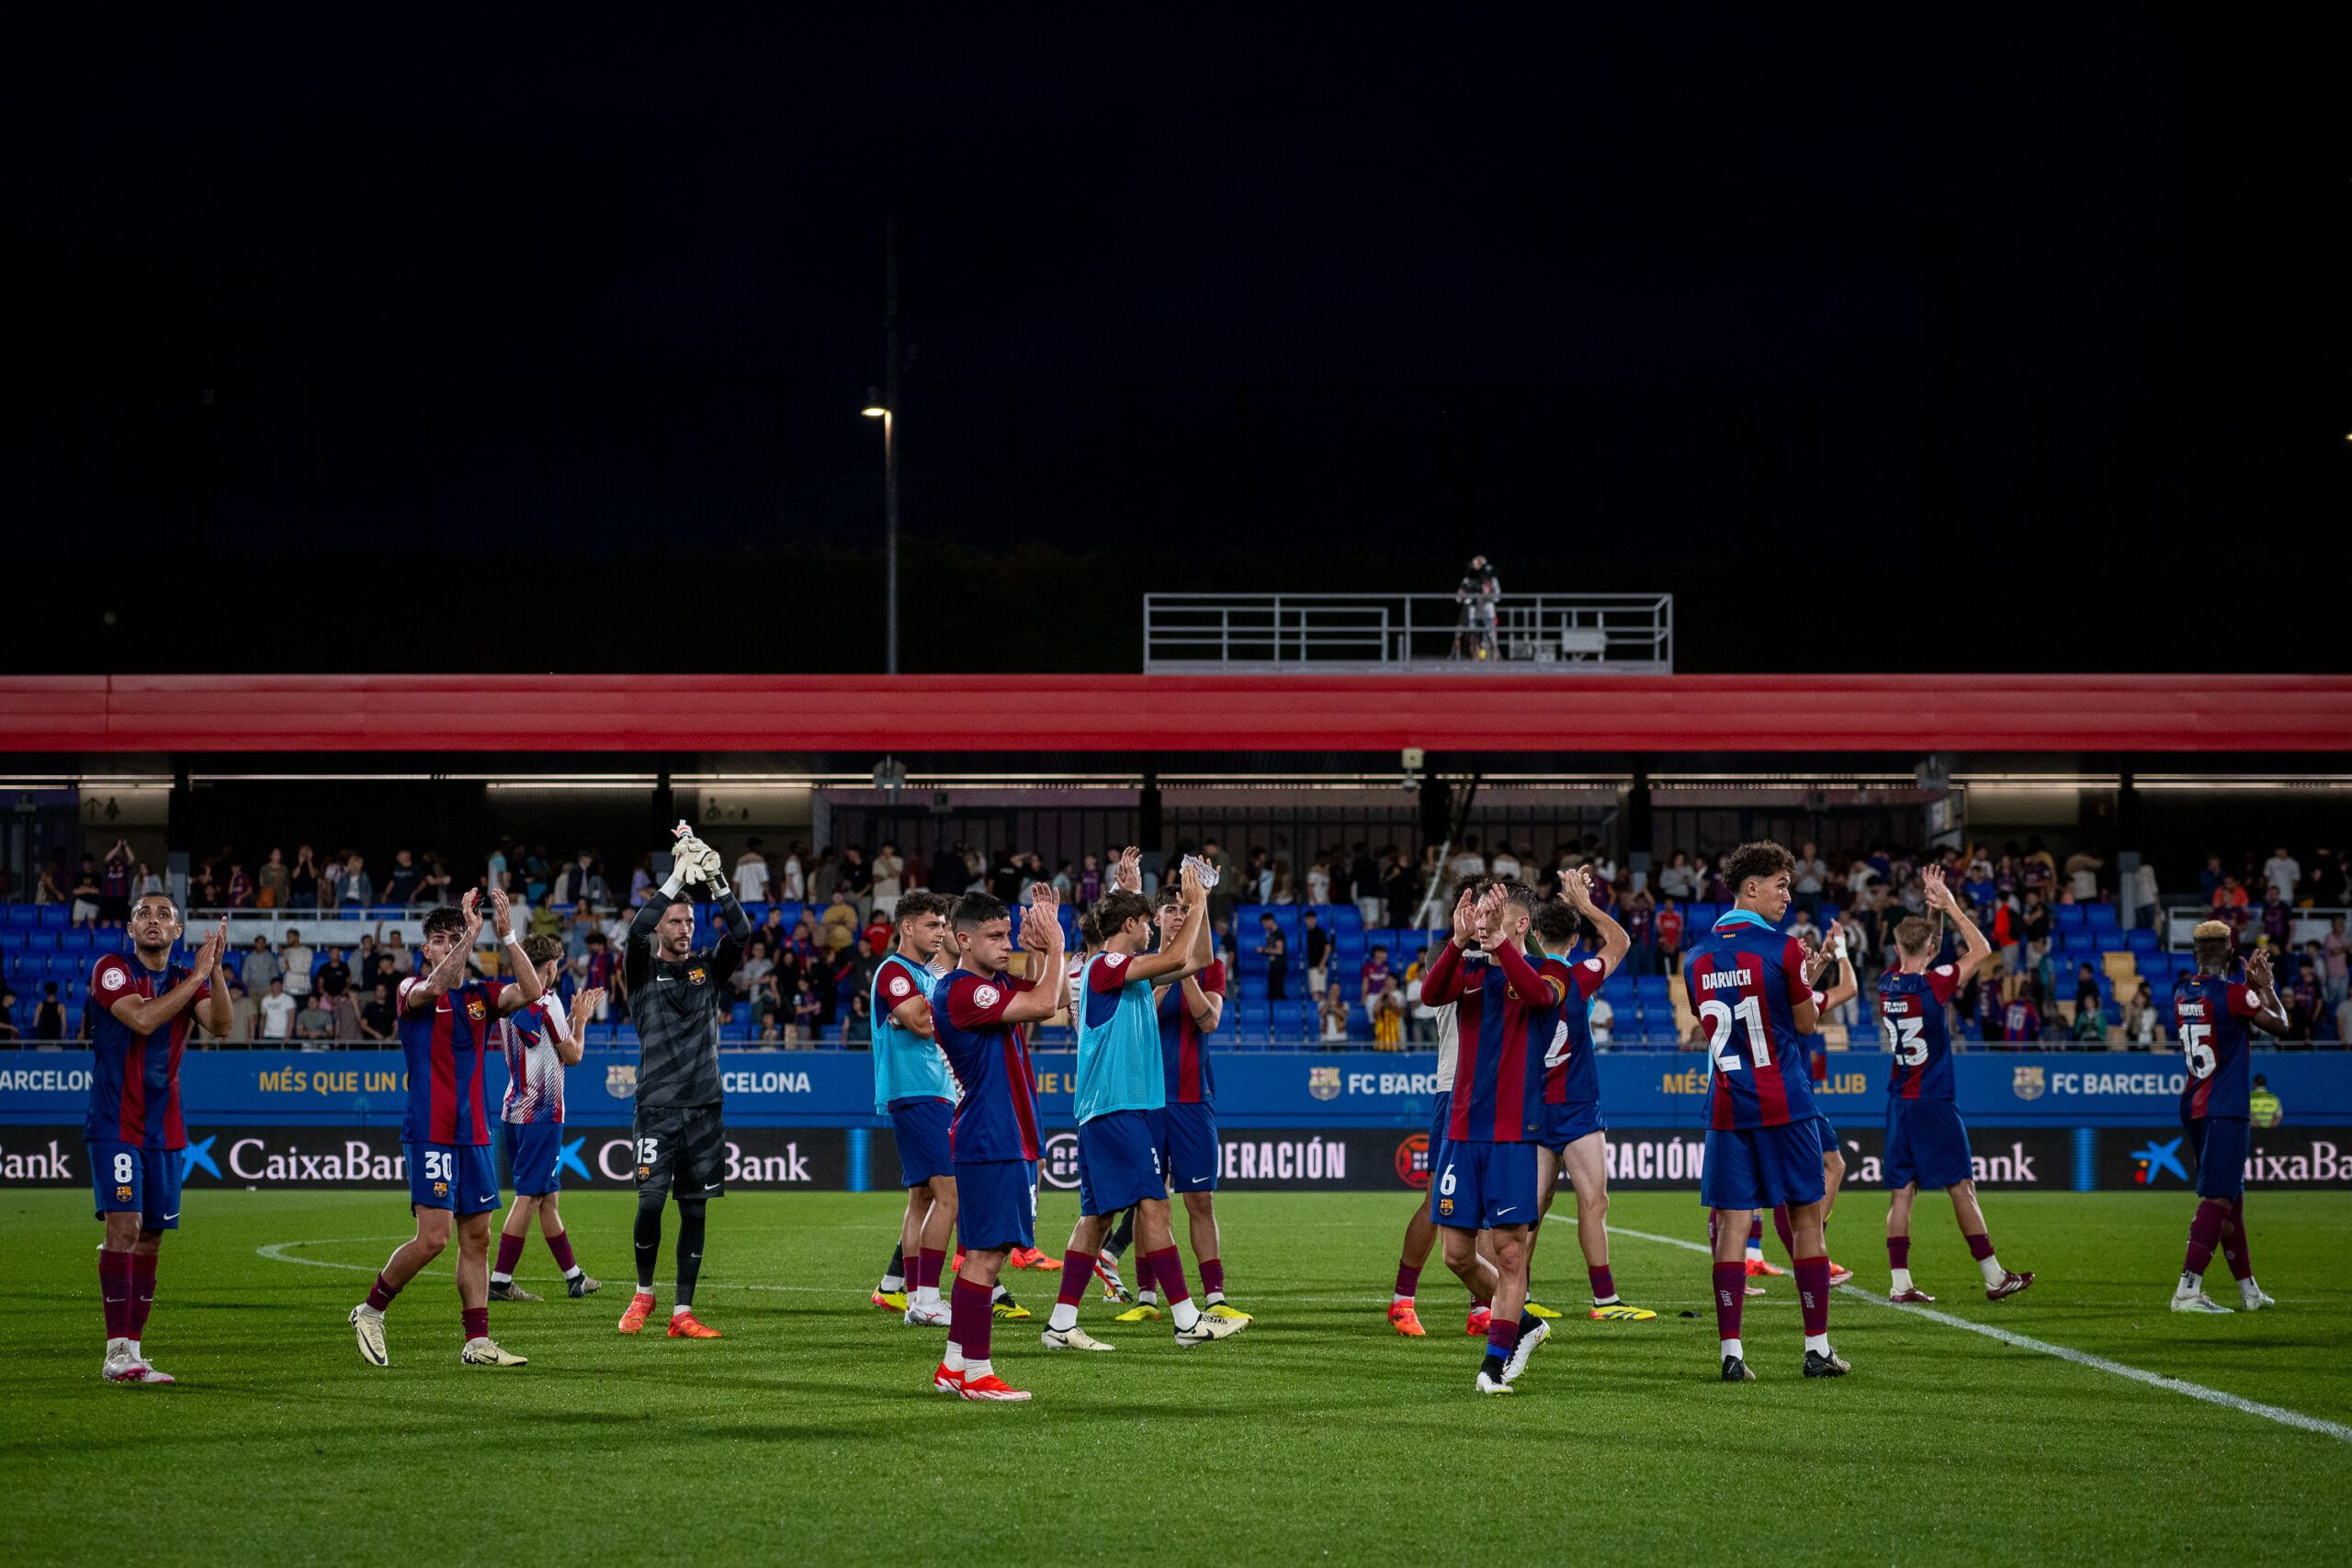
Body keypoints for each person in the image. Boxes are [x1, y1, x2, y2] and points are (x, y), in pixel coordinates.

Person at [348, 890, 544, 1370]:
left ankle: (477, 1342)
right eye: (441, 939)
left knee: (476, 1239)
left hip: (474, 1132)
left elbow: (533, 991)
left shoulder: (481, 996)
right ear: (427, 950)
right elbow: (437, 987)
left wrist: (507, 936)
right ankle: (371, 1310)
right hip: (430, 1130)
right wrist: (470, 935)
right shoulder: (411, 990)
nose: (450, 945)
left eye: (456, 938)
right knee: (434, 1238)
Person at [1687, 841, 1846, 1382]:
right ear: (1749, 887)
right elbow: (1804, 1024)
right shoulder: (1784, 950)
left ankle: (1732, 1354)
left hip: (1729, 1105)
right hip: (1784, 1102)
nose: (1787, 895)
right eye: (1780, 885)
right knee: (1806, 1218)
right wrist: (1806, 974)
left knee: (1732, 1221)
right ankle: (1816, 1349)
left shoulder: (1696, 958)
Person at [1419, 881, 1566, 1393]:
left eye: (1492, 914)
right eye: (1477, 914)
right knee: (1456, 1255)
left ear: (1520, 922)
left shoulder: (1546, 972)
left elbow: (1539, 997)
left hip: (1512, 1134)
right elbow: (1429, 993)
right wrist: (1458, 941)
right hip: (1462, 1130)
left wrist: (1501, 943)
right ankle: (1523, 1321)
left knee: (1509, 1254)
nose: (1482, 921)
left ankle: (1494, 1362)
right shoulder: (1469, 969)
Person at [926, 889, 1067, 1400]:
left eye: (1009, 934)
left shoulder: (992, 983)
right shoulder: (963, 991)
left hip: (1003, 1135)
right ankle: (978, 1373)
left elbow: (1062, 1000)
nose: (1007, 944)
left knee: (992, 1253)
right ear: (963, 940)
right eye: (995, 936)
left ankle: (954, 1366)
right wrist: (1055, 944)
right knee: (985, 1257)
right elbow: (1046, 1002)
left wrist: (1045, 951)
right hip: (991, 1137)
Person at [86, 895, 232, 1383]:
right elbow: (143, 1019)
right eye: (144, 914)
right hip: (115, 1123)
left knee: (150, 1239)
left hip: (165, 1128)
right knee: (123, 1229)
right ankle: (115, 1352)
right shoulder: (112, 969)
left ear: (177, 931)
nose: (153, 920)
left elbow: (224, 1027)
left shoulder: (186, 981)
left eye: (163, 915)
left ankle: (135, 1353)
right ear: (131, 929)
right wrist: (196, 977)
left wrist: (215, 970)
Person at [616, 829, 752, 1339]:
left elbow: (739, 935)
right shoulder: (642, 971)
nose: (685, 926)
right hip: (656, 1106)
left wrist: (716, 880)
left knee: (694, 1209)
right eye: (676, 919)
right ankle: (643, 1295)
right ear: (661, 926)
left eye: (690, 921)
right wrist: (675, 878)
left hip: (704, 1108)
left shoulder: (707, 971)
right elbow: (633, 932)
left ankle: (682, 1313)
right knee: (650, 1202)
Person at [1882, 869, 2031, 1303]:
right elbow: (1981, 949)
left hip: (1899, 1101)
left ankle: (1900, 1284)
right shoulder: (1933, 985)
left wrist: (1932, 914)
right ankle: (1993, 1276)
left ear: (1895, 947)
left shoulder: (1888, 984)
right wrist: (1949, 905)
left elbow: (1920, 952)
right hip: (1934, 1099)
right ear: (1931, 949)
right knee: (1961, 1186)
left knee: (1902, 1191)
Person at [1528, 874, 1653, 1322]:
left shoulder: (1520, 976)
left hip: (1534, 1110)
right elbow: (1620, 941)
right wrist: (1587, 902)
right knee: (1594, 1201)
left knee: (1531, 1208)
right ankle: (1604, 1300)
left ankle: (1516, 1297)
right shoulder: (1580, 975)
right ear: (1576, 938)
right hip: (1577, 1107)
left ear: (1535, 934)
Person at [2169, 920, 2289, 1314]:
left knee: (2231, 1200)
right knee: (2218, 1198)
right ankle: (2188, 1289)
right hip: (2226, 1108)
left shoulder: (2181, 993)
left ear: (2194, 955)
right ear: (2232, 953)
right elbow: (2282, 1026)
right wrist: (2264, 985)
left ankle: (2248, 1290)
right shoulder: (2236, 996)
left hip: (2195, 1104)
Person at [1151, 877, 1247, 1323]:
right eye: (1170, 910)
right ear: (1155, 918)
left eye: (1184, 909)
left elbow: (1209, 1022)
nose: (1176, 915)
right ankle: (1146, 1298)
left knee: (1199, 1200)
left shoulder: (1212, 966)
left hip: (1193, 1100)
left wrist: (1186, 968)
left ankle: (1214, 1295)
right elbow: (1142, 1021)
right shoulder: (1140, 964)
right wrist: (1167, 969)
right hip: (1148, 1099)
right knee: (1150, 1199)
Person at [488, 937, 604, 1303]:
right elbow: (572, 1055)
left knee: (547, 1198)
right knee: (529, 1197)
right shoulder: (548, 1000)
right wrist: (581, 1022)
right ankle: (501, 1281)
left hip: (514, 1108)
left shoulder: (509, 997)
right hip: (543, 1113)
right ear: (551, 966)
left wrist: (568, 1020)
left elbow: (541, 1040)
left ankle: (575, 1277)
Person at [867, 891, 959, 1322]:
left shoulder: (928, 976)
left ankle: (912, 1298)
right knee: (950, 1196)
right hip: (917, 1091)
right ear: (907, 927)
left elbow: (925, 1018)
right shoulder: (894, 971)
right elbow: (924, 1025)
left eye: (942, 925)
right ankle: (925, 1300)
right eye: (931, 924)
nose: (939, 932)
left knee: (921, 1197)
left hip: (934, 1091)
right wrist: (923, 1012)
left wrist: (923, 1010)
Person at [1451, 553, 1500, 660]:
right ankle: (1475, 658)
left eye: (1480, 564)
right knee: (1473, 636)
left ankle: (1494, 658)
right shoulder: (1468, 579)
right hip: (1474, 611)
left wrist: (1488, 594)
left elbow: (1497, 597)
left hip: (1487, 611)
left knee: (1491, 635)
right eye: (1475, 564)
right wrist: (1463, 594)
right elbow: (1458, 598)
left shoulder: (1491, 579)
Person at [1256, 913, 1287, 1001]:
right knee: (1272, 993)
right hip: (1273, 966)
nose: (1264, 926)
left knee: (1278, 992)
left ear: (1270, 921)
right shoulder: (1270, 934)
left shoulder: (1279, 933)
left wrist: (1263, 950)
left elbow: (1279, 950)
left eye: (1264, 923)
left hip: (1279, 966)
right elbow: (1270, 949)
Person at [258, 977, 296, 1042]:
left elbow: (291, 1018)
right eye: (275, 985)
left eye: (279, 985)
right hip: (268, 1035)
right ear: (271, 986)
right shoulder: (265, 999)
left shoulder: (288, 999)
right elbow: (263, 1018)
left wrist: (288, 1036)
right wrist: (261, 1034)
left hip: (283, 1035)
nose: (278, 987)